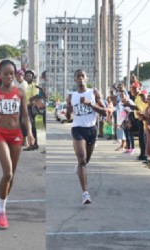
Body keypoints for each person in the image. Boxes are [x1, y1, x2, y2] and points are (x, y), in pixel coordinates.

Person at [0, 59, 34, 229]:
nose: (9, 77)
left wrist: (30, 134)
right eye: (5, 74)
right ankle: (1, 210)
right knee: (7, 172)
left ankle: (2, 203)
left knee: (12, 175)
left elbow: (26, 116)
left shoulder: (20, 92)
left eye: (11, 74)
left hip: (16, 135)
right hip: (0, 134)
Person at [66, 69, 106, 205]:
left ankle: (79, 167)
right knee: (82, 160)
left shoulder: (93, 93)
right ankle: (85, 193)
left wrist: (90, 104)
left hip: (91, 129)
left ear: (86, 78)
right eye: (78, 76)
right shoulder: (71, 96)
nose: (80, 78)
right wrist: (69, 111)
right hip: (77, 129)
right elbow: (68, 115)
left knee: (85, 160)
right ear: (75, 79)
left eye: (82, 76)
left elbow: (104, 111)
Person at [23, 69, 39, 150]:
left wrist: (27, 106)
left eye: (30, 76)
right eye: (27, 76)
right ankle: (32, 143)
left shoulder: (33, 85)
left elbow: (35, 98)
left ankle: (34, 144)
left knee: (32, 127)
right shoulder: (25, 86)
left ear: (32, 77)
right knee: (27, 126)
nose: (28, 77)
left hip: (30, 108)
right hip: (25, 108)